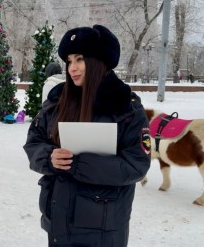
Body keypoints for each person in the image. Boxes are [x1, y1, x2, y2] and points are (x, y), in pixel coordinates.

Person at [23, 24, 151, 247]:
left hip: (102, 228)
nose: (72, 67)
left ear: (99, 61)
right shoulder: (56, 101)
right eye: (69, 61)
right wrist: (49, 157)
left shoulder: (126, 109)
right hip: (58, 223)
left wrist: (77, 164)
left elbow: (136, 165)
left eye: (80, 59)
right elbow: (34, 142)